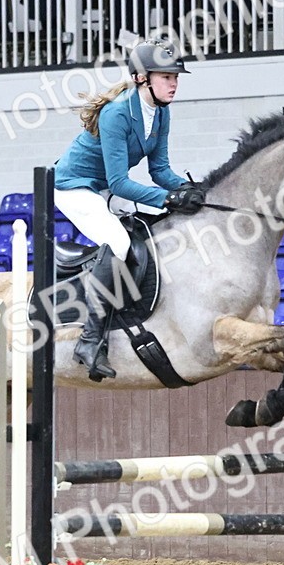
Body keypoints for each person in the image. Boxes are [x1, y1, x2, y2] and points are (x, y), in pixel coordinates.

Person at [54, 39, 206, 382]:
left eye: (175, 77)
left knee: (154, 231)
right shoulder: (117, 113)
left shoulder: (162, 112)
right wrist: (166, 199)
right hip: (75, 187)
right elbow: (121, 183)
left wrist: (185, 189)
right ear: (141, 78)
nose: (173, 83)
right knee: (120, 244)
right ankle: (90, 340)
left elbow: (160, 171)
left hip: (106, 187)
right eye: (166, 76)